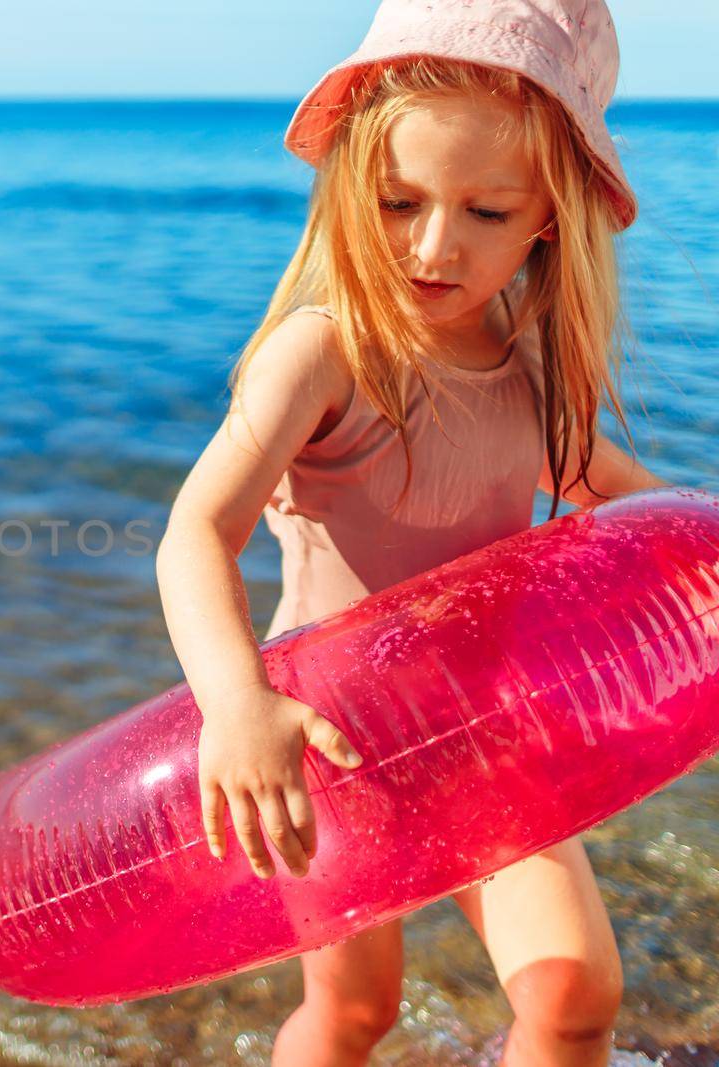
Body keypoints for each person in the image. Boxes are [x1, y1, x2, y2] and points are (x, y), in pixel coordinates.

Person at [153, 1, 669, 1064]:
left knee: (573, 994)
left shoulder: (530, 367)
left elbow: (629, 507)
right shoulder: (327, 351)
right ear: (350, 187)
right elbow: (196, 530)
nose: (434, 246)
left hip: (483, 733)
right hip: (329, 745)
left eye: (484, 210)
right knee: (355, 1012)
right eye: (398, 200)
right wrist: (236, 704)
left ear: (547, 218)